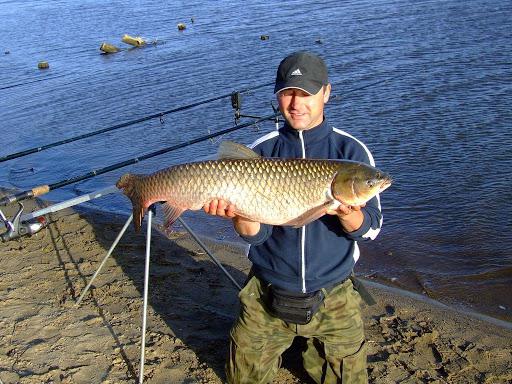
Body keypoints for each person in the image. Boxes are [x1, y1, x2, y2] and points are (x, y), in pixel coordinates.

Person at [204, 51, 384, 383]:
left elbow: (371, 228)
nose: (296, 103)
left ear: (326, 93)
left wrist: (349, 216)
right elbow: (255, 236)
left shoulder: (352, 154)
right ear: (276, 95)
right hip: (267, 288)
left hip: (333, 292)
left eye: (307, 93)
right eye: (288, 93)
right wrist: (238, 216)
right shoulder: (262, 150)